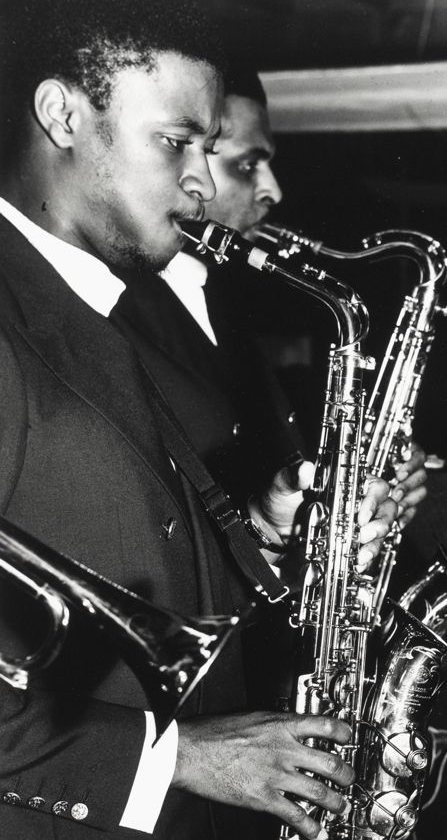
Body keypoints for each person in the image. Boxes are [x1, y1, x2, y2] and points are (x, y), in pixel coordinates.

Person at [0, 0, 397, 840]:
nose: (197, 179)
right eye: (175, 140)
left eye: (206, 144)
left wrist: (264, 528)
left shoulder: (121, 303)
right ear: (62, 116)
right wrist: (184, 756)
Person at [113, 62, 428, 527]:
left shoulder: (220, 292)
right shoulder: (107, 300)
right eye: (248, 164)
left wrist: (365, 490)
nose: (273, 191)